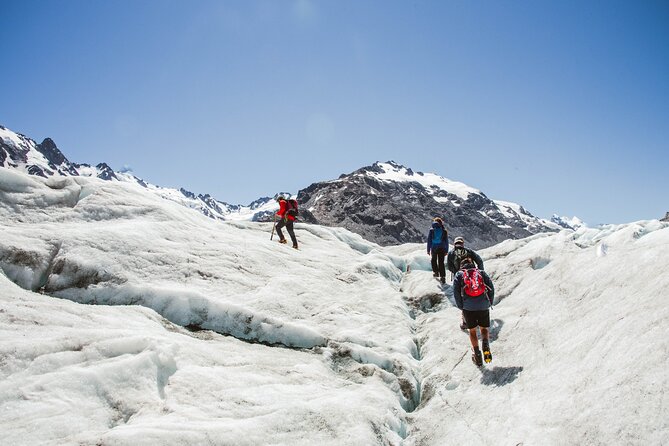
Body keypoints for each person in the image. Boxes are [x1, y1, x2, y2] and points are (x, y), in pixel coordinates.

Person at [453, 257, 495, 366]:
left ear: (462, 266)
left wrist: (461, 306)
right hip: (483, 305)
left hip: (468, 307)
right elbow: (491, 287)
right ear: (472, 264)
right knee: (484, 328)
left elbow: (456, 293)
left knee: (472, 331)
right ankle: (485, 344)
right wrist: (489, 302)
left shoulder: (459, 275)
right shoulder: (480, 272)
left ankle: (477, 354)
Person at [448, 236, 485, 330]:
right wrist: (480, 272)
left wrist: (457, 272)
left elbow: (449, 266)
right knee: (475, 293)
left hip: (460, 277)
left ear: (455, 244)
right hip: (473, 275)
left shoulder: (451, 253)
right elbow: (479, 260)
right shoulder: (468, 251)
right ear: (463, 243)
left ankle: (465, 322)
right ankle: (479, 318)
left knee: (464, 297)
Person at [426, 217, 448, 284]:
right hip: (442, 248)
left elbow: (429, 240)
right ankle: (443, 277)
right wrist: (446, 250)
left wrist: (428, 250)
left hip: (434, 248)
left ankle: (436, 272)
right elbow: (446, 241)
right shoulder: (444, 230)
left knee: (433, 260)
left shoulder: (432, 230)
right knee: (441, 262)